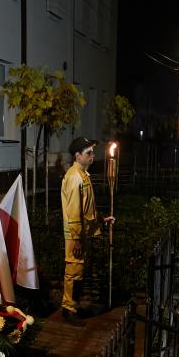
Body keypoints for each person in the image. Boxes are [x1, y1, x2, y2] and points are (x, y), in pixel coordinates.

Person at [61, 136, 113, 325]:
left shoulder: (82, 174)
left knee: (78, 271)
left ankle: (72, 306)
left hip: (81, 234)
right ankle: (69, 309)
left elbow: (87, 207)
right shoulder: (75, 177)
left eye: (92, 152)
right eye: (89, 153)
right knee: (74, 272)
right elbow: (74, 210)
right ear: (77, 155)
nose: (93, 156)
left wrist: (100, 219)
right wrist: (76, 238)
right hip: (76, 235)